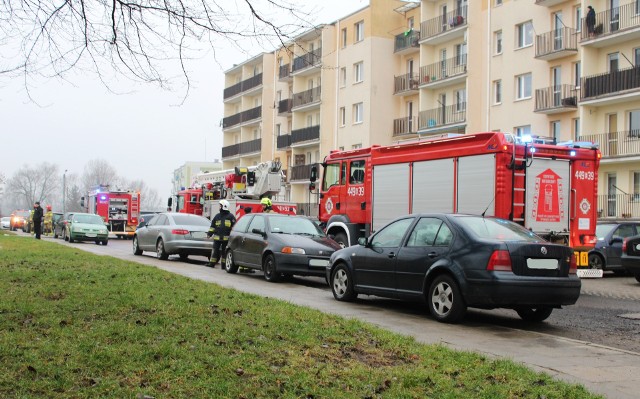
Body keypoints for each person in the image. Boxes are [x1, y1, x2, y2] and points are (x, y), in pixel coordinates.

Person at [206, 199, 236, 269]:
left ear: (224, 206)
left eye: (220, 206)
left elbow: (234, 227)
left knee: (224, 252)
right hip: (217, 238)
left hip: (226, 239)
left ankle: (224, 265)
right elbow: (212, 226)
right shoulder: (217, 216)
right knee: (215, 251)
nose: (219, 207)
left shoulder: (231, 217)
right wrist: (209, 234)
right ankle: (212, 263)